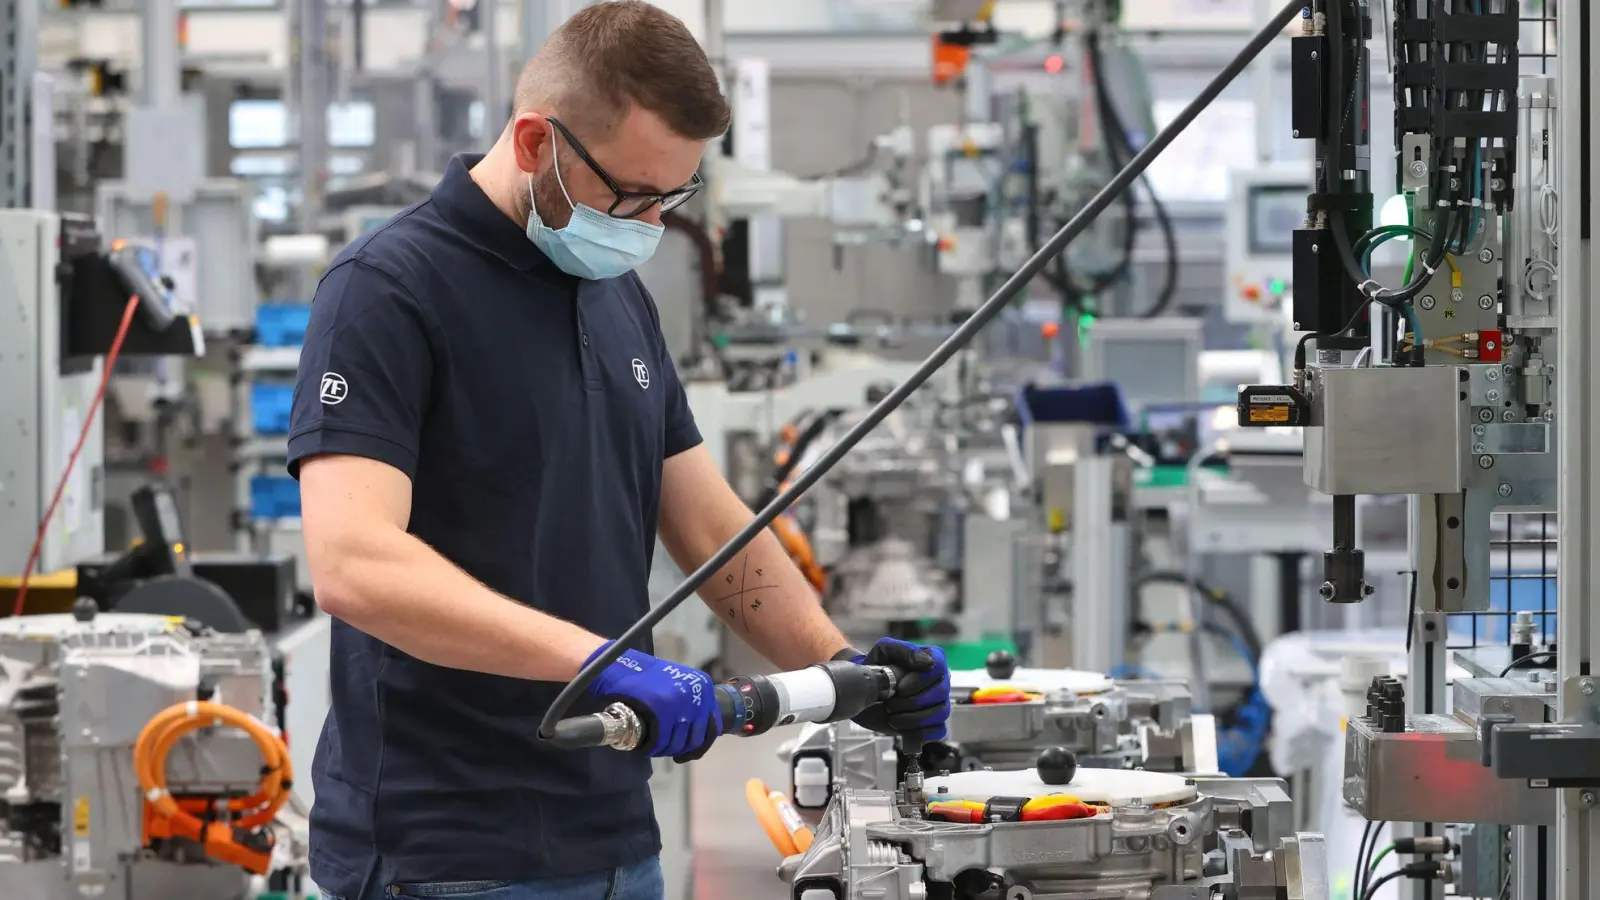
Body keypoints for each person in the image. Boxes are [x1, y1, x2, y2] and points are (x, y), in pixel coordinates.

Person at [287, 4, 951, 900]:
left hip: (613, 839)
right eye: (631, 196)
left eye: (672, 199)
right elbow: (355, 565)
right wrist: (605, 664)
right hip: (443, 853)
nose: (649, 223)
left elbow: (710, 527)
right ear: (534, 142)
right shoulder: (387, 291)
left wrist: (847, 674)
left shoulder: (615, 294)